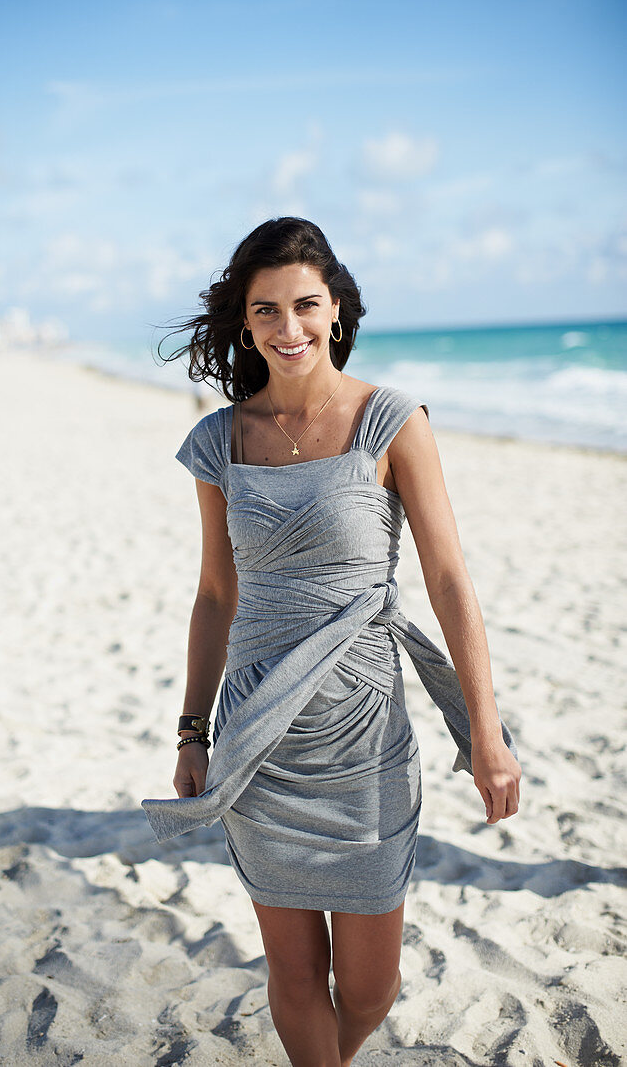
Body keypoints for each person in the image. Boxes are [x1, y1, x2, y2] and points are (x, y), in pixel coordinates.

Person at [142, 216, 520, 1067]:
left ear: (337, 310)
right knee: (295, 971)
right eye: (266, 310)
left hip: (366, 735)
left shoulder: (391, 421)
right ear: (244, 322)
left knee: (373, 987)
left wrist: (485, 732)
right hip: (259, 739)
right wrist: (192, 730)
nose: (288, 328)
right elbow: (213, 594)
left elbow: (451, 579)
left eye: (305, 305)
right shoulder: (219, 441)